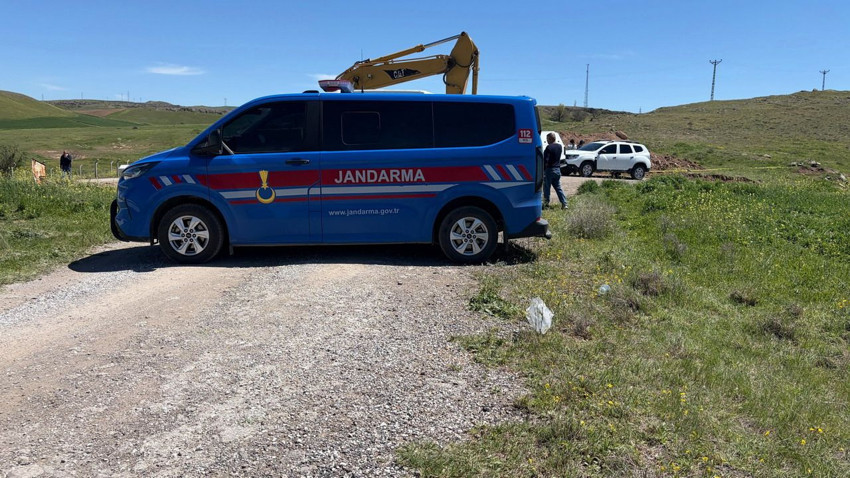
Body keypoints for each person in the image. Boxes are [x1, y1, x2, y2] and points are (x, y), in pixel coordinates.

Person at [542, 132, 568, 209]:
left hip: (549, 170)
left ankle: (546, 204)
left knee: (547, 188)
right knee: (558, 187)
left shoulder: (548, 147)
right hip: (557, 169)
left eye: (547, 139)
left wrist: (543, 170)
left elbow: (546, 160)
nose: (547, 141)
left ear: (550, 139)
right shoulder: (560, 146)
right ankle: (564, 203)